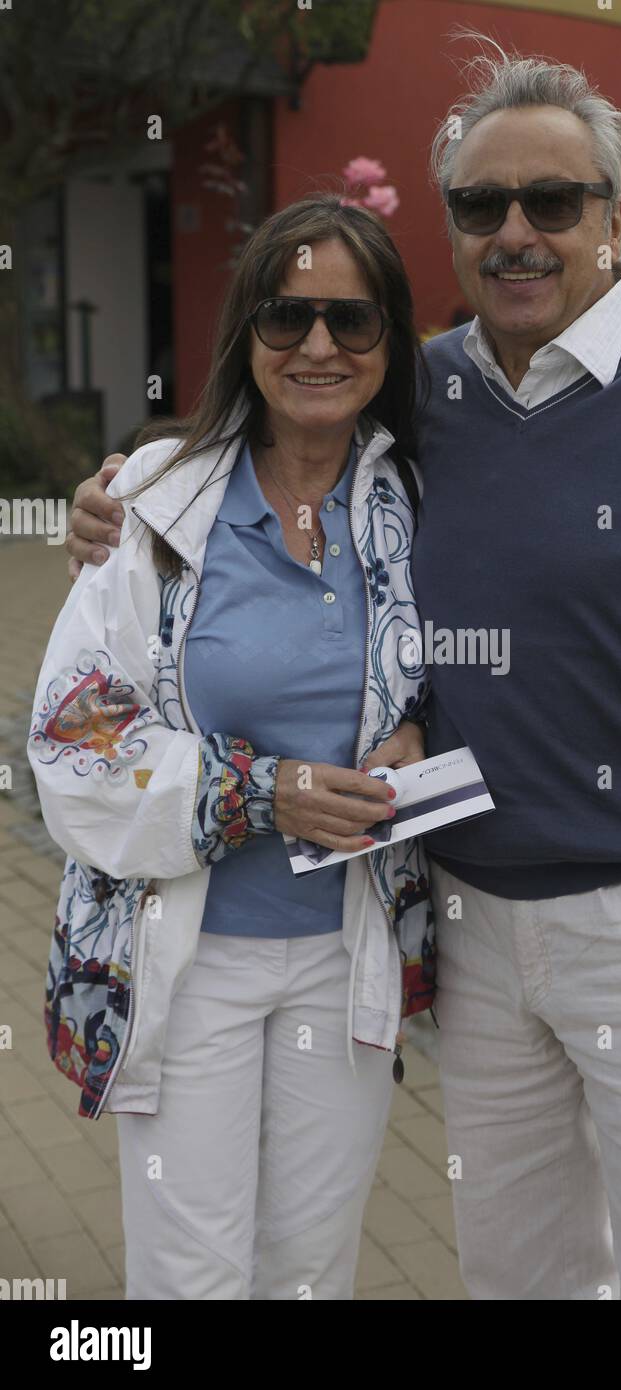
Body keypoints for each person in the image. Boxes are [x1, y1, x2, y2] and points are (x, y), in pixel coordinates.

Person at [66, 37, 621, 1300]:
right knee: (514, 1272)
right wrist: (121, 491)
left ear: (615, 213)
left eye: (553, 201)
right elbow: (277, 433)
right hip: (475, 926)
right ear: (453, 224)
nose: (518, 232)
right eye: (483, 206)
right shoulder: (424, 392)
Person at [29, 194, 435, 1300]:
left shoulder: (420, 502)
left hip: (343, 956)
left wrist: (421, 731)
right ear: (244, 334)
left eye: (350, 321)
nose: (315, 346)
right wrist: (266, 792)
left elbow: (495, 667)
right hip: (186, 962)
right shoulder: (154, 504)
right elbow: (71, 742)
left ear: (389, 339)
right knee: (191, 1280)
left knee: (308, 1272)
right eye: (285, 315)